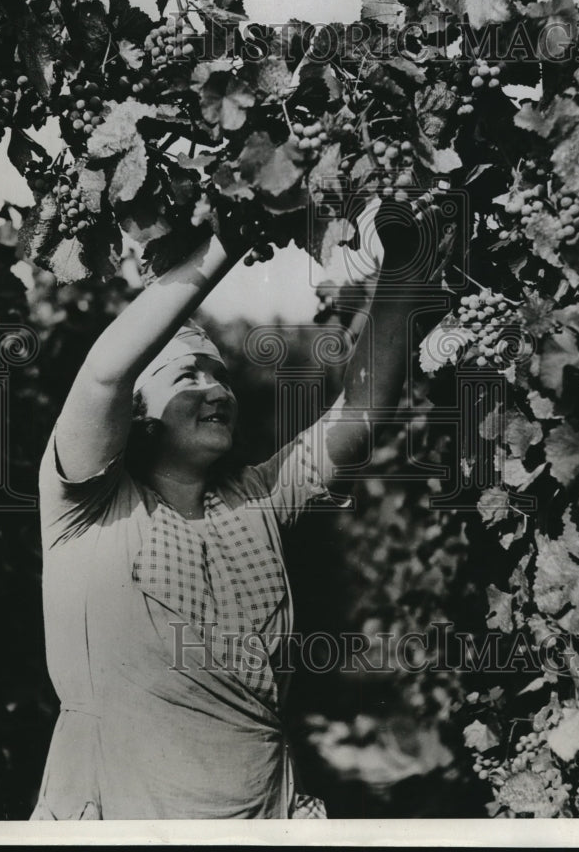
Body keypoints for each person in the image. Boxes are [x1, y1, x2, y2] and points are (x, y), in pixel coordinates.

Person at [31, 202, 449, 820]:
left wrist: (404, 260)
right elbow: (103, 377)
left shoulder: (256, 498)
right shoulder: (87, 505)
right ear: (138, 414)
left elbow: (358, 414)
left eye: (220, 376)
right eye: (189, 377)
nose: (217, 390)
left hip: (266, 817)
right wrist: (235, 233)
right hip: (125, 811)